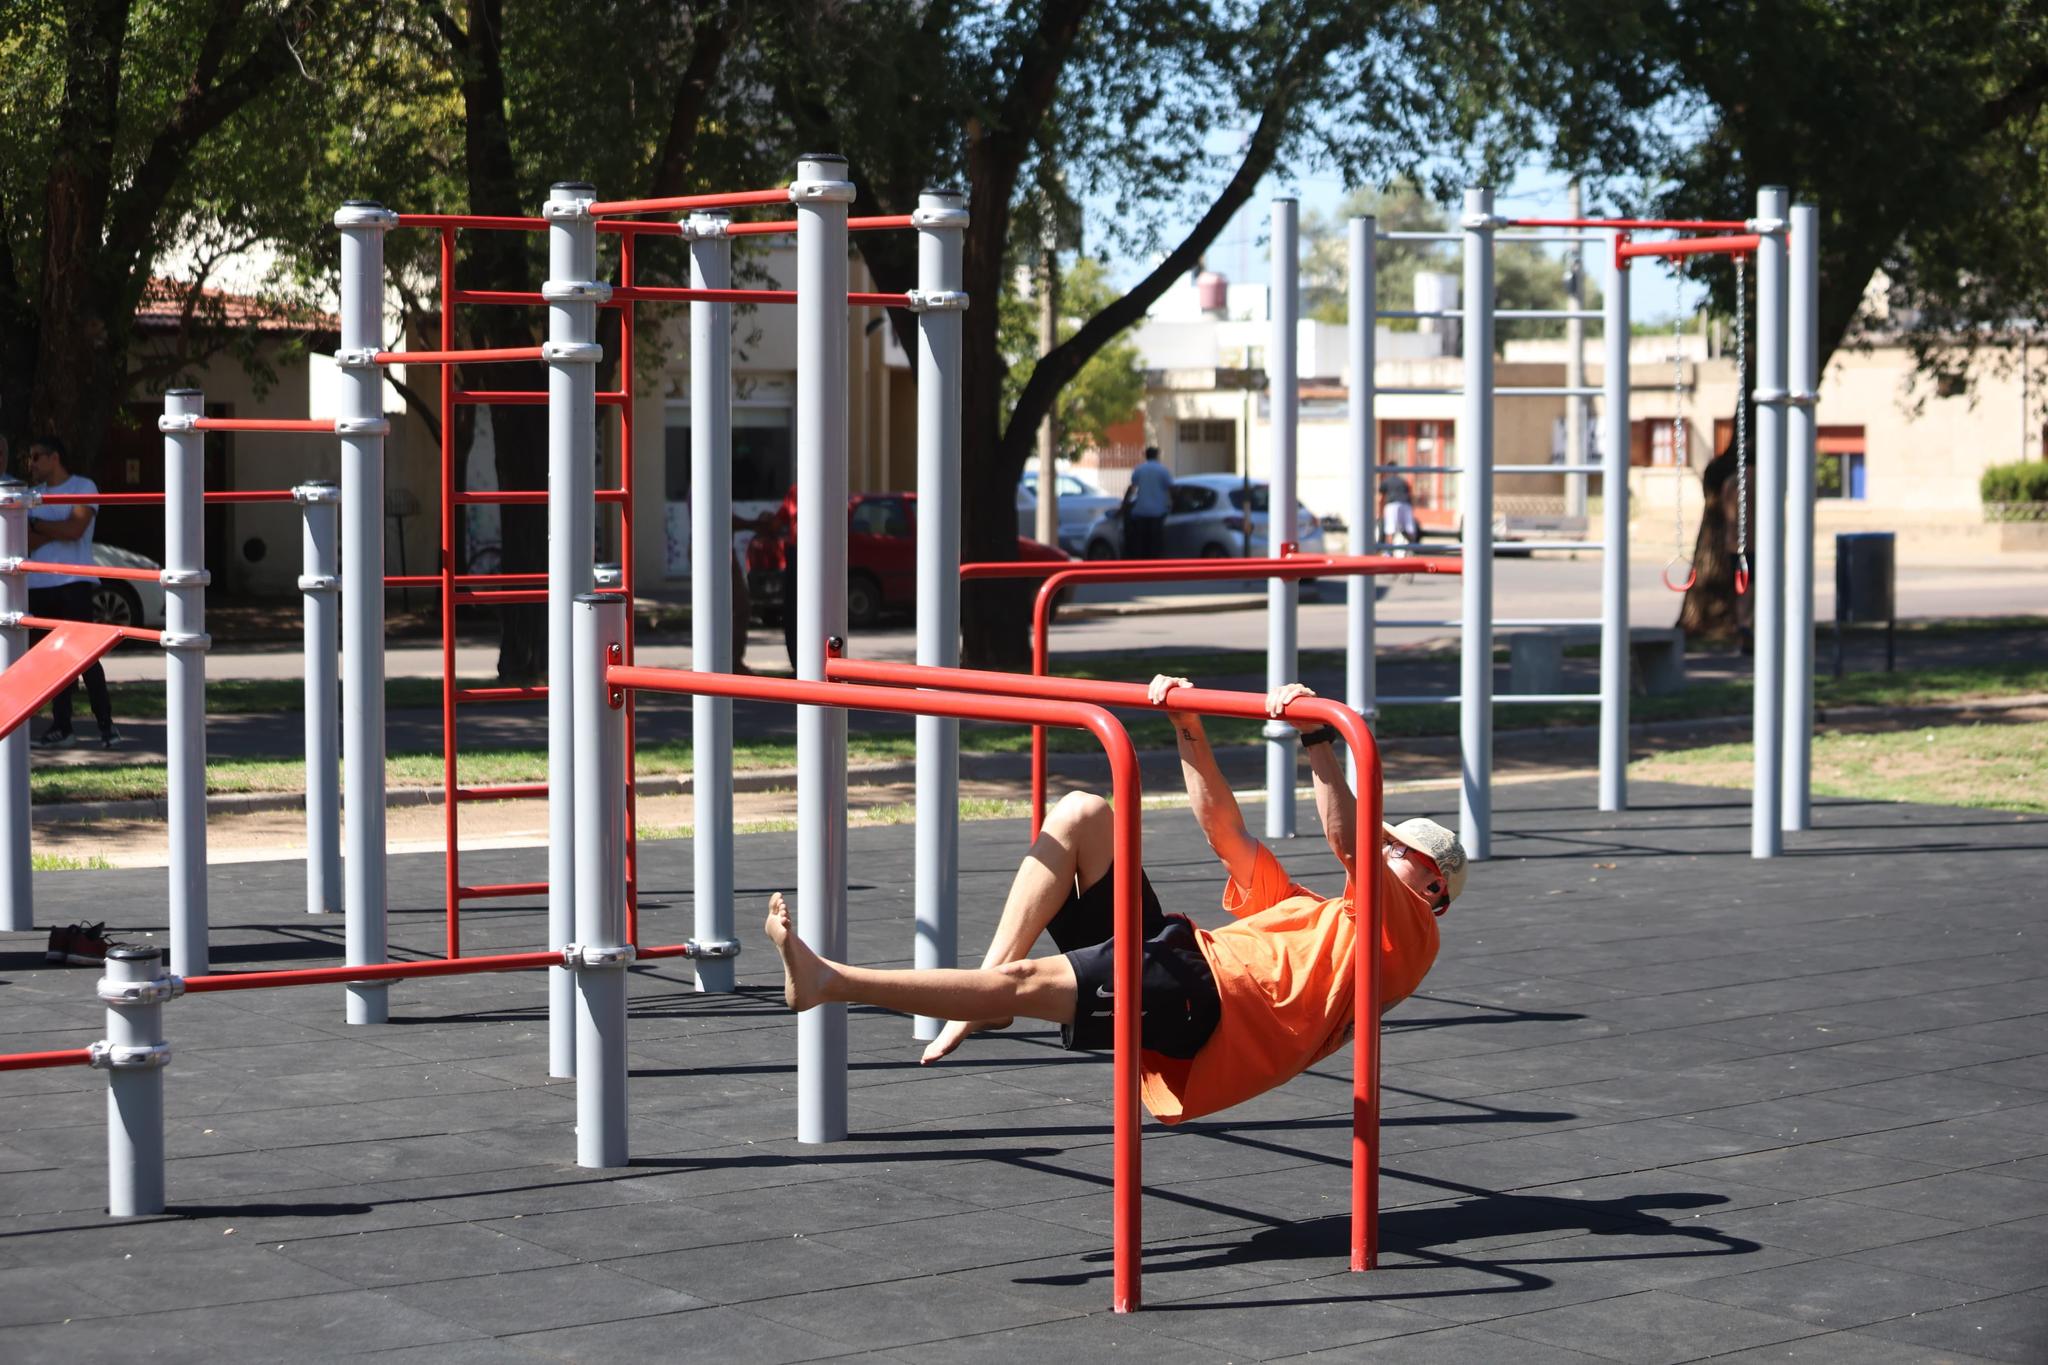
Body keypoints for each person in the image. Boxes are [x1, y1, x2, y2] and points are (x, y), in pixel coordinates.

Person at [763, 675, 1466, 1124]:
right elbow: (1226, 829)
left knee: (1029, 979)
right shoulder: (1316, 913)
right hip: (1185, 953)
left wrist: (1317, 739)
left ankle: (832, 981)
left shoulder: (1405, 939)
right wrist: (1187, 723)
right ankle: (990, 1002)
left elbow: (1346, 835)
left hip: (1209, 1001)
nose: (1382, 849)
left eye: (1396, 847)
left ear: (1433, 886)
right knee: (1081, 813)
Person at [23, 435, 120, 749]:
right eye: (29, 457)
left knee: (84, 657)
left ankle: (106, 726)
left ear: (55, 458)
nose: (31, 464)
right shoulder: (30, 494)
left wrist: (39, 526)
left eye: (36, 457)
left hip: (74, 584)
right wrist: (50, 529)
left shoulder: (83, 487)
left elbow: (75, 529)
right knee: (52, 661)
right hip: (39, 585)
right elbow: (26, 541)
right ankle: (61, 727)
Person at [1120, 446, 1173, 559]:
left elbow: (1132, 488)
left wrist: (1124, 505)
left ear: (1146, 456)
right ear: (1157, 456)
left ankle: (1143, 563)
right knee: (1156, 542)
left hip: (1141, 511)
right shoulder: (1163, 470)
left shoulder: (1139, 469)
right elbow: (1170, 488)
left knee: (1142, 542)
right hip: (1158, 512)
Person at [1379, 459, 1422, 552]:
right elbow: (1410, 496)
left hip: (1392, 504)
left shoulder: (1386, 481)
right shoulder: (1403, 481)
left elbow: (1381, 497)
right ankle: (1413, 549)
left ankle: (1388, 551)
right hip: (1406, 505)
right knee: (1409, 528)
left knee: (1390, 529)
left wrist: (1380, 512)